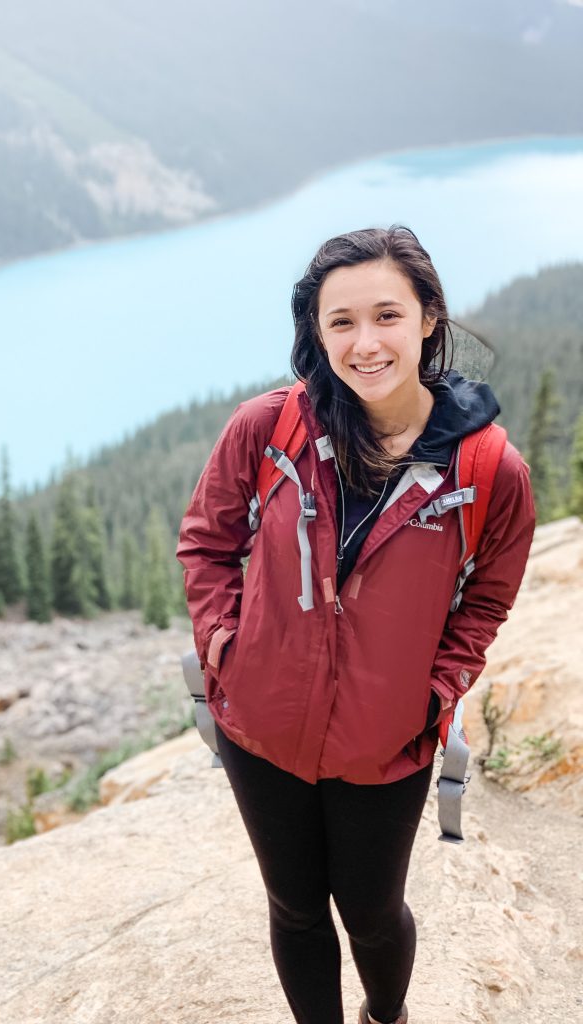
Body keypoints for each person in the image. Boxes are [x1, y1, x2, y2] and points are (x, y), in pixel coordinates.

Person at [176, 225, 536, 1024]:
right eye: (341, 322)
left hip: (388, 739)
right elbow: (206, 541)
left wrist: (435, 693)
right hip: (261, 723)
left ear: (428, 319)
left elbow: (487, 603)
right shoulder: (269, 430)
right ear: (316, 331)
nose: (365, 342)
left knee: (372, 913)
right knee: (295, 907)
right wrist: (226, 647)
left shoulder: (486, 472)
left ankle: (385, 1015)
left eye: (386, 316)